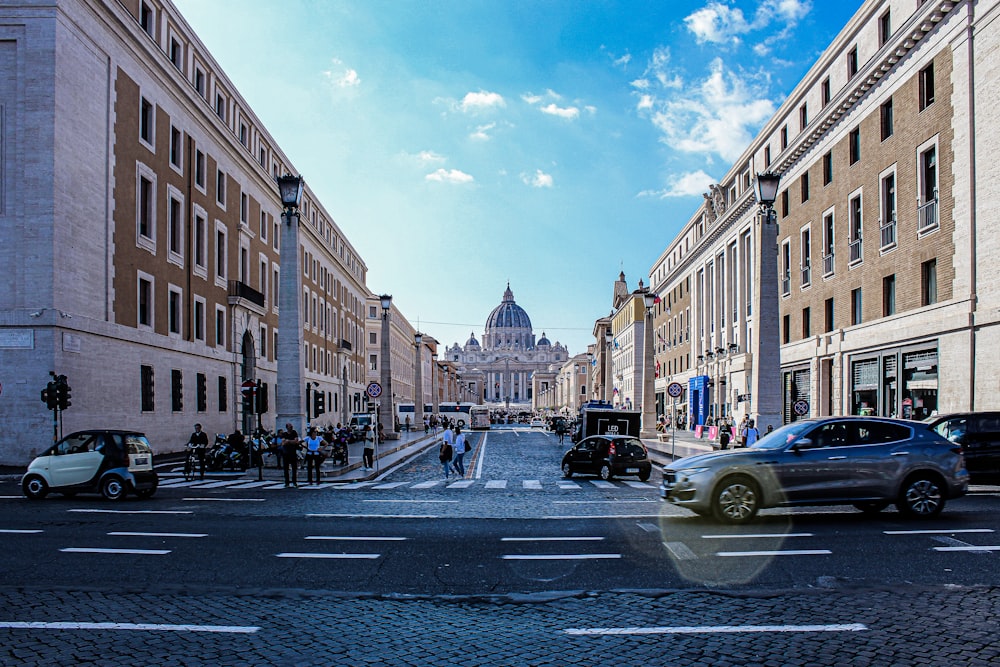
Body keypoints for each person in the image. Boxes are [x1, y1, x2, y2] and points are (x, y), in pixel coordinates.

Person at [280, 422, 301, 487]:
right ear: (287, 427)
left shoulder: (294, 432)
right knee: (286, 468)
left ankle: (294, 482)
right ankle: (287, 482)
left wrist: (288, 441)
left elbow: (296, 441)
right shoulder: (284, 434)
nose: (291, 427)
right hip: (286, 452)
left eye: (291, 426)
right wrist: (291, 441)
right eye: (290, 426)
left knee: (294, 468)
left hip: (293, 452)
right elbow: (283, 443)